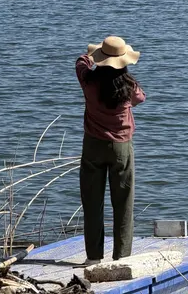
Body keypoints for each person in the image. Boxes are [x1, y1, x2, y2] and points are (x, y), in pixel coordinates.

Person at [75, 35, 146, 263]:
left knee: (93, 203)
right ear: (123, 62)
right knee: (124, 203)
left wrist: (91, 55)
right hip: (121, 147)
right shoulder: (129, 86)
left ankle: (94, 257)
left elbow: (80, 63)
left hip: (93, 145)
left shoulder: (88, 82)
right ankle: (121, 256)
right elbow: (140, 98)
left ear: (100, 60)